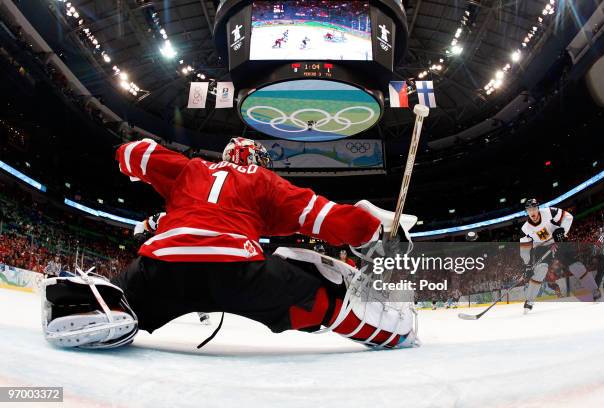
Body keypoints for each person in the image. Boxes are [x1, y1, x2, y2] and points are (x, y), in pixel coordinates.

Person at [41, 137, 418, 350]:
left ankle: (98, 305)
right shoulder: (264, 181)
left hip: (161, 267)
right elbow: (320, 217)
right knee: (318, 276)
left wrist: (135, 164)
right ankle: (394, 332)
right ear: (254, 158)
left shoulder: (191, 168)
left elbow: (133, 153)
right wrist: (372, 232)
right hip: (238, 271)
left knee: (125, 298)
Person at [519, 199, 600, 314]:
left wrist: (562, 230)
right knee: (540, 271)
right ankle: (529, 301)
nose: (532, 212)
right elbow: (525, 250)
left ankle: (594, 290)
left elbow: (568, 217)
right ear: (527, 212)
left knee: (575, 265)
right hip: (542, 247)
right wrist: (527, 266)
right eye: (529, 210)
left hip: (557, 241)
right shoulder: (525, 228)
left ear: (538, 208)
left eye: (534, 208)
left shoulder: (549, 212)